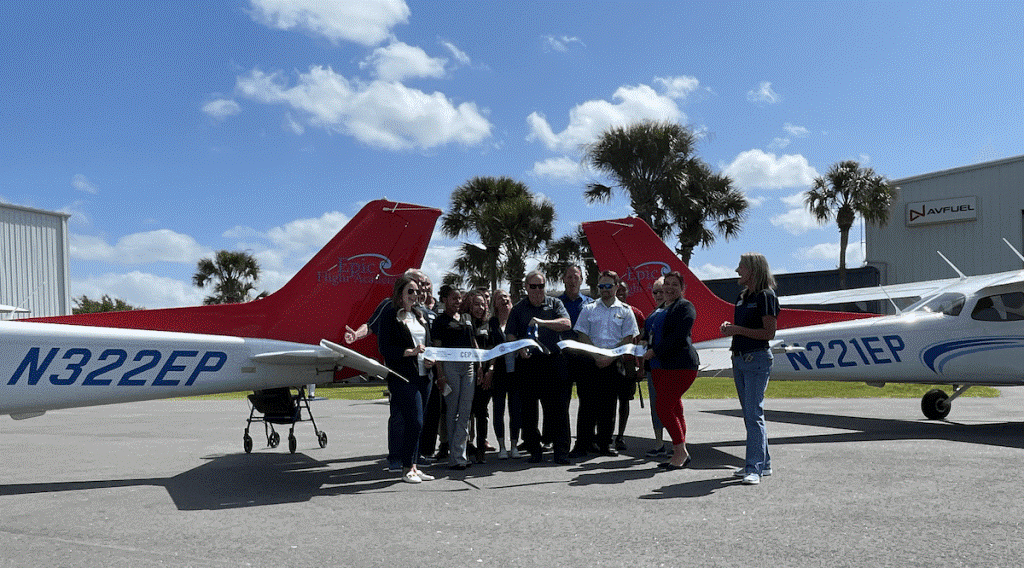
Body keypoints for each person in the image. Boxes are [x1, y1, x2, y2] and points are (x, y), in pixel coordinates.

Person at [719, 253, 780, 486]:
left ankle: (753, 467)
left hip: (757, 359)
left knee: (754, 414)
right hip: (740, 358)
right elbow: (743, 328)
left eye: (741, 267)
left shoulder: (766, 296)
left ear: (753, 270)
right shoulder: (743, 297)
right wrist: (731, 328)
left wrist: (737, 330)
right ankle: (763, 464)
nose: (737, 271)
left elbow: (768, 334)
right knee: (750, 415)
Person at [507, 270, 572, 464]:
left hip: (552, 361)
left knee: (558, 409)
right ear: (526, 287)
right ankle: (534, 450)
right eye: (533, 286)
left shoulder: (555, 304)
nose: (537, 290)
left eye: (541, 286)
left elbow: (566, 323)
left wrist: (542, 322)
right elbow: (510, 334)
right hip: (528, 364)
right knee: (528, 411)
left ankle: (561, 452)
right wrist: (519, 348)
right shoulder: (518, 309)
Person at [572, 270, 638, 457]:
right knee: (587, 405)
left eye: (609, 286)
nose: (605, 290)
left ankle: (605, 444)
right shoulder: (589, 308)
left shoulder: (625, 311)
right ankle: (582, 444)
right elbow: (582, 334)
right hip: (591, 362)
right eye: (601, 286)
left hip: (613, 363)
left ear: (617, 287)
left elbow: (627, 338)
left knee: (608, 406)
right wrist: (596, 355)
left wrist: (609, 357)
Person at [376, 275, 436, 484]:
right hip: (403, 376)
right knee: (415, 421)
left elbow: (427, 343)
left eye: (417, 291)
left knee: (419, 423)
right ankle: (405, 468)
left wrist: (429, 359)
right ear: (400, 294)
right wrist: (409, 352)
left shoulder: (420, 316)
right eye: (410, 291)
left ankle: (414, 466)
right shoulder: (390, 315)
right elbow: (385, 348)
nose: (415, 295)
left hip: (424, 376)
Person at [642, 271, 699, 470]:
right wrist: (641, 341)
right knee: (674, 407)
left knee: (663, 408)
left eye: (675, 284)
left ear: (682, 288)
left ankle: (680, 450)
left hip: (680, 365)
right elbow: (648, 332)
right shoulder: (658, 309)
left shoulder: (685, 307)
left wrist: (654, 351)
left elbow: (679, 336)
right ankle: (680, 452)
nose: (669, 288)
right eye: (667, 284)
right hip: (658, 367)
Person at [432, 285, 476, 470]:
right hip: (450, 366)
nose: (457, 301)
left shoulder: (466, 318)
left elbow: (473, 342)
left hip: (469, 366)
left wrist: (479, 365)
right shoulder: (440, 321)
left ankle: (461, 453)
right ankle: (455, 455)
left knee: (465, 411)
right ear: (444, 300)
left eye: (460, 298)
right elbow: (437, 349)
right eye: (454, 298)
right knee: (453, 410)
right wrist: (440, 374)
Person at [558, 265, 594, 454]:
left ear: (581, 280)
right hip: (563, 358)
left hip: (585, 357)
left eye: (576, 277)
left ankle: (583, 444)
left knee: (587, 402)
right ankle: (562, 445)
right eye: (569, 277)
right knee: (561, 402)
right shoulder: (555, 303)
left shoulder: (590, 304)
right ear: (563, 279)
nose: (572, 281)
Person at [488, 290, 522, 459]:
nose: (504, 300)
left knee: (515, 409)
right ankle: (501, 446)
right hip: (499, 372)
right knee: (498, 409)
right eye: (499, 298)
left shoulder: (517, 320)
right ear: (494, 304)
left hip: (516, 371)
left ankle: (514, 445)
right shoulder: (491, 323)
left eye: (506, 297)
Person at [613, 281, 645, 451]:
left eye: (623, 291)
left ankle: (620, 435)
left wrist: (642, 366)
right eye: (618, 290)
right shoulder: (604, 312)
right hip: (609, 361)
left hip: (628, 361)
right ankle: (604, 434)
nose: (620, 293)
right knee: (607, 400)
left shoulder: (636, 313)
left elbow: (642, 341)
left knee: (624, 401)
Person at [641, 277, 670, 458]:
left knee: (671, 406)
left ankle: (677, 442)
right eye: (655, 292)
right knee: (656, 405)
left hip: (670, 367)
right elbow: (646, 336)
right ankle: (659, 443)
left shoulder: (675, 311)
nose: (659, 295)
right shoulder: (652, 315)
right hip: (653, 368)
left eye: (662, 291)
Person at [466, 290, 494, 463]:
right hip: (469, 374)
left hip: (486, 375)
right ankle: (467, 446)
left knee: (481, 412)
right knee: (467, 413)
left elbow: (494, 350)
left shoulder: (490, 324)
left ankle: (481, 449)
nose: (480, 308)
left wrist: (489, 371)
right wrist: (477, 369)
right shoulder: (465, 323)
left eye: (483, 304)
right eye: (476, 304)